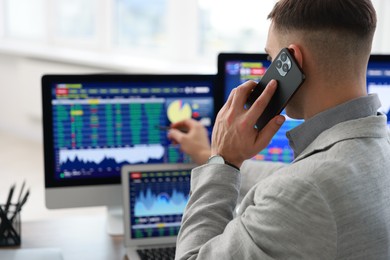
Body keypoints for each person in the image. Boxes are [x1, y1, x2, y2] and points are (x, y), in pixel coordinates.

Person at [169, 0, 390, 259]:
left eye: (271, 58)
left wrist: (223, 162)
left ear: (292, 61)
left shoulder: (305, 189)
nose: (268, 68)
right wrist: (208, 152)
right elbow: (290, 178)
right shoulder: (376, 148)